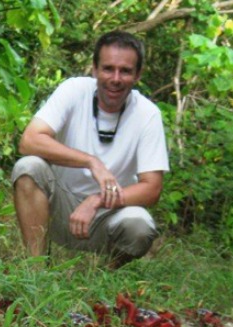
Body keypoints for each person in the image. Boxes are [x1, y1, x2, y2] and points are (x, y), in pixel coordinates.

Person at [11, 30, 169, 267]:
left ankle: (104, 276)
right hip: (58, 208)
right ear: (94, 69)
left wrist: (97, 200)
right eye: (108, 68)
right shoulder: (74, 90)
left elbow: (152, 189)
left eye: (125, 71)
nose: (115, 78)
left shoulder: (148, 114)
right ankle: (35, 271)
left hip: (109, 216)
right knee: (28, 167)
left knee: (140, 225)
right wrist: (91, 162)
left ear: (138, 75)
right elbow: (30, 140)